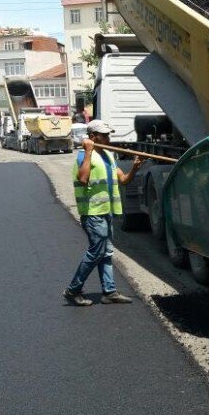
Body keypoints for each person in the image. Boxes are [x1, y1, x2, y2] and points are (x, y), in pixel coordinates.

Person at [62, 120, 143, 306]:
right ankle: (73, 289)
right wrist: (89, 151)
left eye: (108, 135)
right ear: (93, 137)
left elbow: (123, 180)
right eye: (104, 135)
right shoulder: (84, 155)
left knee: (106, 253)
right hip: (92, 212)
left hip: (106, 211)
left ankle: (110, 292)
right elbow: (83, 179)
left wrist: (136, 167)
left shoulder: (108, 155)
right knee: (96, 252)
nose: (108, 138)